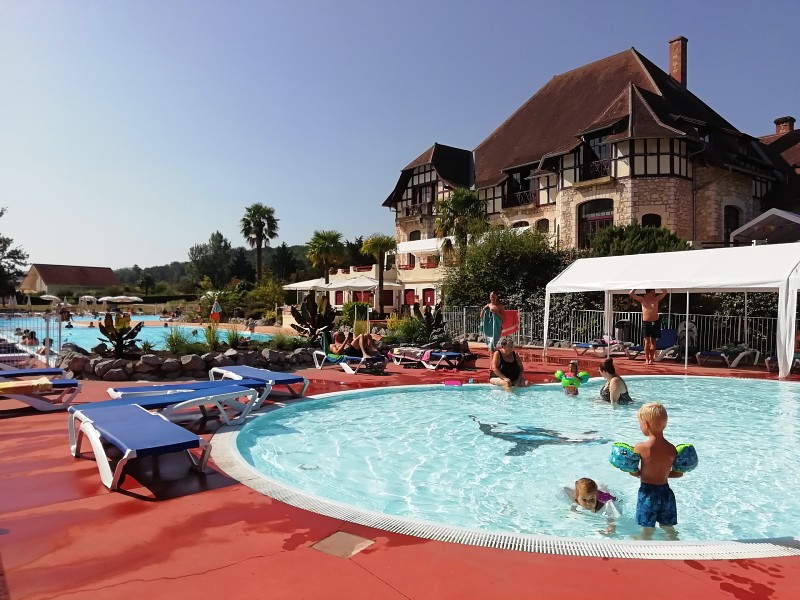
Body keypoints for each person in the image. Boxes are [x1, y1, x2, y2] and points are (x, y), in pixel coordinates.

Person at [631, 402, 682, 540]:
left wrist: (637, 473)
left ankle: (644, 542)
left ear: (646, 425)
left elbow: (633, 471)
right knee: (668, 527)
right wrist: (663, 474)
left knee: (647, 529)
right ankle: (675, 543)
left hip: (647, 493)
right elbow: (678, 473)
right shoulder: (672, 448)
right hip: (666, 493)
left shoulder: (641, 447)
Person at [629, 289, 669, 365]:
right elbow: (631, 293)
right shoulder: (642, 299)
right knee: (647, 342)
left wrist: (659, 285)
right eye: (653, 292)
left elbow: (665, 292)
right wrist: (637, 286)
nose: (654, 293)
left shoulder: (656, 299)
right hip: (646, 323)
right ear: (649, 292)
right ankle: (647, 359)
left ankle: (651, 359)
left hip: (655, 322)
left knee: (653, 341)